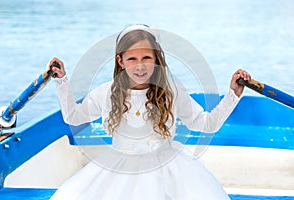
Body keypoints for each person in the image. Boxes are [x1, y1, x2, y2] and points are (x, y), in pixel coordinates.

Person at [48, 24, 251, 200]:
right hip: (119, 166)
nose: (140, 66)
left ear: (156, 59)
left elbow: (206, 124)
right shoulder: (107, 92)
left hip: (169, 168)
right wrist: (61, 81)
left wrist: (233, 94)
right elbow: (73, 117)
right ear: (120, 61)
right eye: (132, 59)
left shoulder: (171, 91)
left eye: (146, 57)